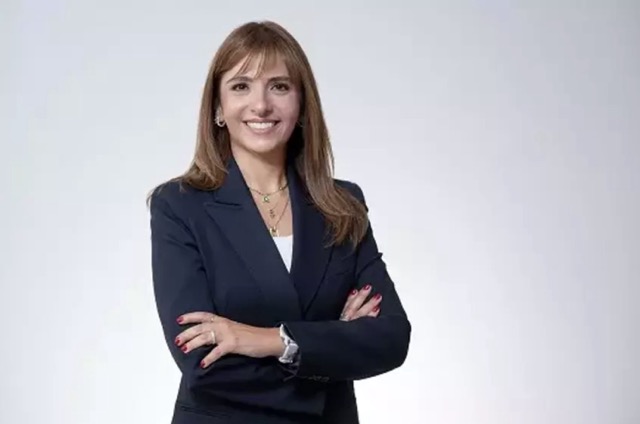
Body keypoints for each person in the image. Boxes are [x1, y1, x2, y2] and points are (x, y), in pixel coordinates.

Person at [148, 20, 411, 424]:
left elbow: (391, 338)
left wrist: (271, 340)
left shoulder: (343, 206)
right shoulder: (180, 206)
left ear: (302, 104)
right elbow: (202, 362)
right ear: (218, 108)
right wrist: (331, 347)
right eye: (241, 86)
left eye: (279, 86)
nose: (261, 105)